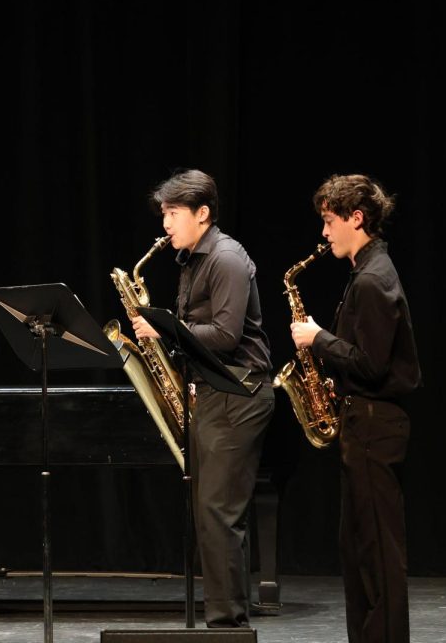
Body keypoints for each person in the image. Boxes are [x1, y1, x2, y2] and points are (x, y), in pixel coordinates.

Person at [131, 168, 274, 628]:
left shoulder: (226, 258)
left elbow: (227, 334)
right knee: (214, 511)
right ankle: (230, 613)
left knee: (216, 512)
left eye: (173, 213)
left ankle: (226, 624)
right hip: (215, 393)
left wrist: (163, 327)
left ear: (203, 213)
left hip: (240, 393)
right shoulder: (192, 259)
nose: (165, 224)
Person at [290, 174, 420, 643]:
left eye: (329, 222)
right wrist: (333, 377)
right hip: (362, 420)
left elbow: (371, 363)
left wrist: (318, 339)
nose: (324, 234)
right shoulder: (368, 273)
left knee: (378, 553)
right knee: (359, 548)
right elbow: (365, 358)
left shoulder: (373, 279)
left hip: (373, 425)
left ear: (356, 218)